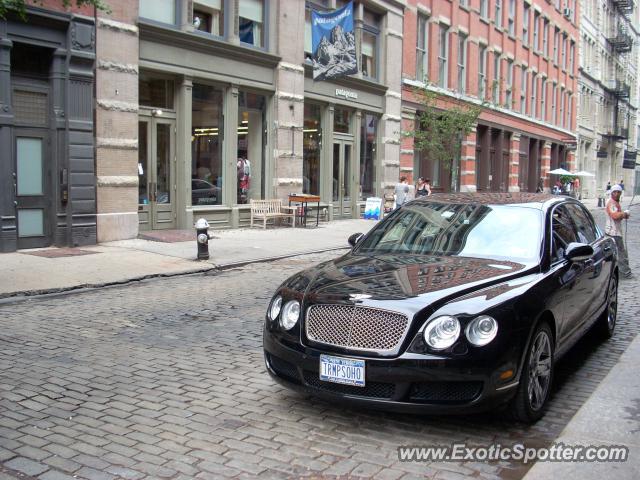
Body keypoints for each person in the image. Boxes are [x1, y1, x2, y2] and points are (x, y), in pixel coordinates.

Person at [605, 184, 632, 278]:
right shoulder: (611, 203)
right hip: (614, 233)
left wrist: (624, 214)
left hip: (613, 231)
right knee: (621, 253)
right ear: (611, 193)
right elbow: (615, 215)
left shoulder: (614, 202)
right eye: (615, 192)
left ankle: (612, 272)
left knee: (613, 253)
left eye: (618, 192)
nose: (617, 194)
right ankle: (625, 273)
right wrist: (624, 213)